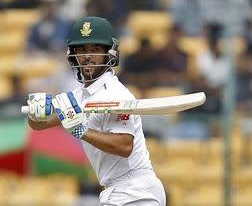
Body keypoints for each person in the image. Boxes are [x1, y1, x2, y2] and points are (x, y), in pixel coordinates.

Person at [25, 16, 166, 206]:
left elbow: (124, 146)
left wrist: (80, 130)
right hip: (118, 191)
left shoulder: (116, 93)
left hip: (135, 190)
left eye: (95, 49)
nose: (87, 56)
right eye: (81, 50)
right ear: (72, 54)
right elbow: (38, 125)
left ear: (110, 53)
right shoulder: (77, 96)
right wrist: (36, 112)